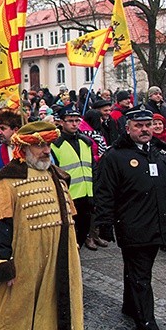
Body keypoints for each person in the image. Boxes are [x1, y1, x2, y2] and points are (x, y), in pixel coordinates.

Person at [0, 121, 83, 330]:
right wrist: (3, 265)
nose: (46, 151)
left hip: (58, 258)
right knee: (16, 316)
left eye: (48, 145)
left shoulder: (57, 176)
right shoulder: (7, 181)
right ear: (23, 148)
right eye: (39, 145)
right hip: (24, 262)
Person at [95, 105, 166, 329]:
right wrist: (104, 223)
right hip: (133, 225)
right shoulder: (115, 155)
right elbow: (105, 192)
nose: (145, 129)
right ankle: (146, 321)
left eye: (147, 125)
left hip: (159, 222)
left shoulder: (161, 151)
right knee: (141, 275)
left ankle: (130, 306)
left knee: (139, 269)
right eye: (138, 126)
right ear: (127, 128)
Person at [51, 105, 96, 250]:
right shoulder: (55, 145)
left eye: (77, 120)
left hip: (87, 196)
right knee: (69, 237)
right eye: (70, 120)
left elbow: (92, 168)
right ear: (62, 122)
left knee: (82, 233)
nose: (75, 124)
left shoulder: (86, 142)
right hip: (69, 197)